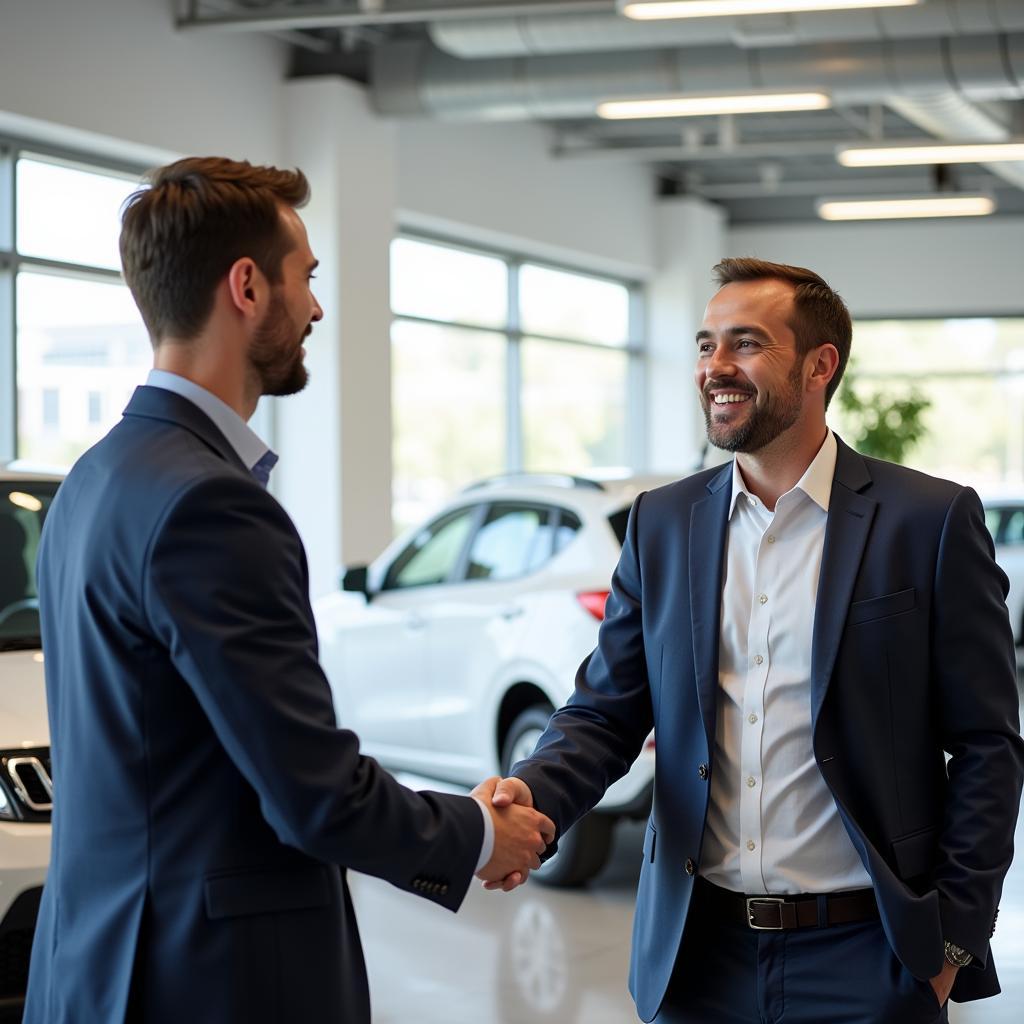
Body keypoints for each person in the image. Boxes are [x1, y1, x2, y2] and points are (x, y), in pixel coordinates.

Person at [23, 156, 553, 1024]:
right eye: (305, 278)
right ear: (246, 286)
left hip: (95, 965)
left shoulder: (92, 478)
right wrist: (483, 834)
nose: (314, 307)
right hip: (206, 982)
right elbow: (314, 793)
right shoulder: (211, 503)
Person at [480, 258, 1024, 1023]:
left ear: (818, 366)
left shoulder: (926, 523)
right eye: (705, 346)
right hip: (697, 958)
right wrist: (528, 799)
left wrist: (952, 947)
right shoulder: (662, 525)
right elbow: (606, 713)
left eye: (745, 344)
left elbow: (987, 745)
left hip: (868, 957)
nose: (715, 368)